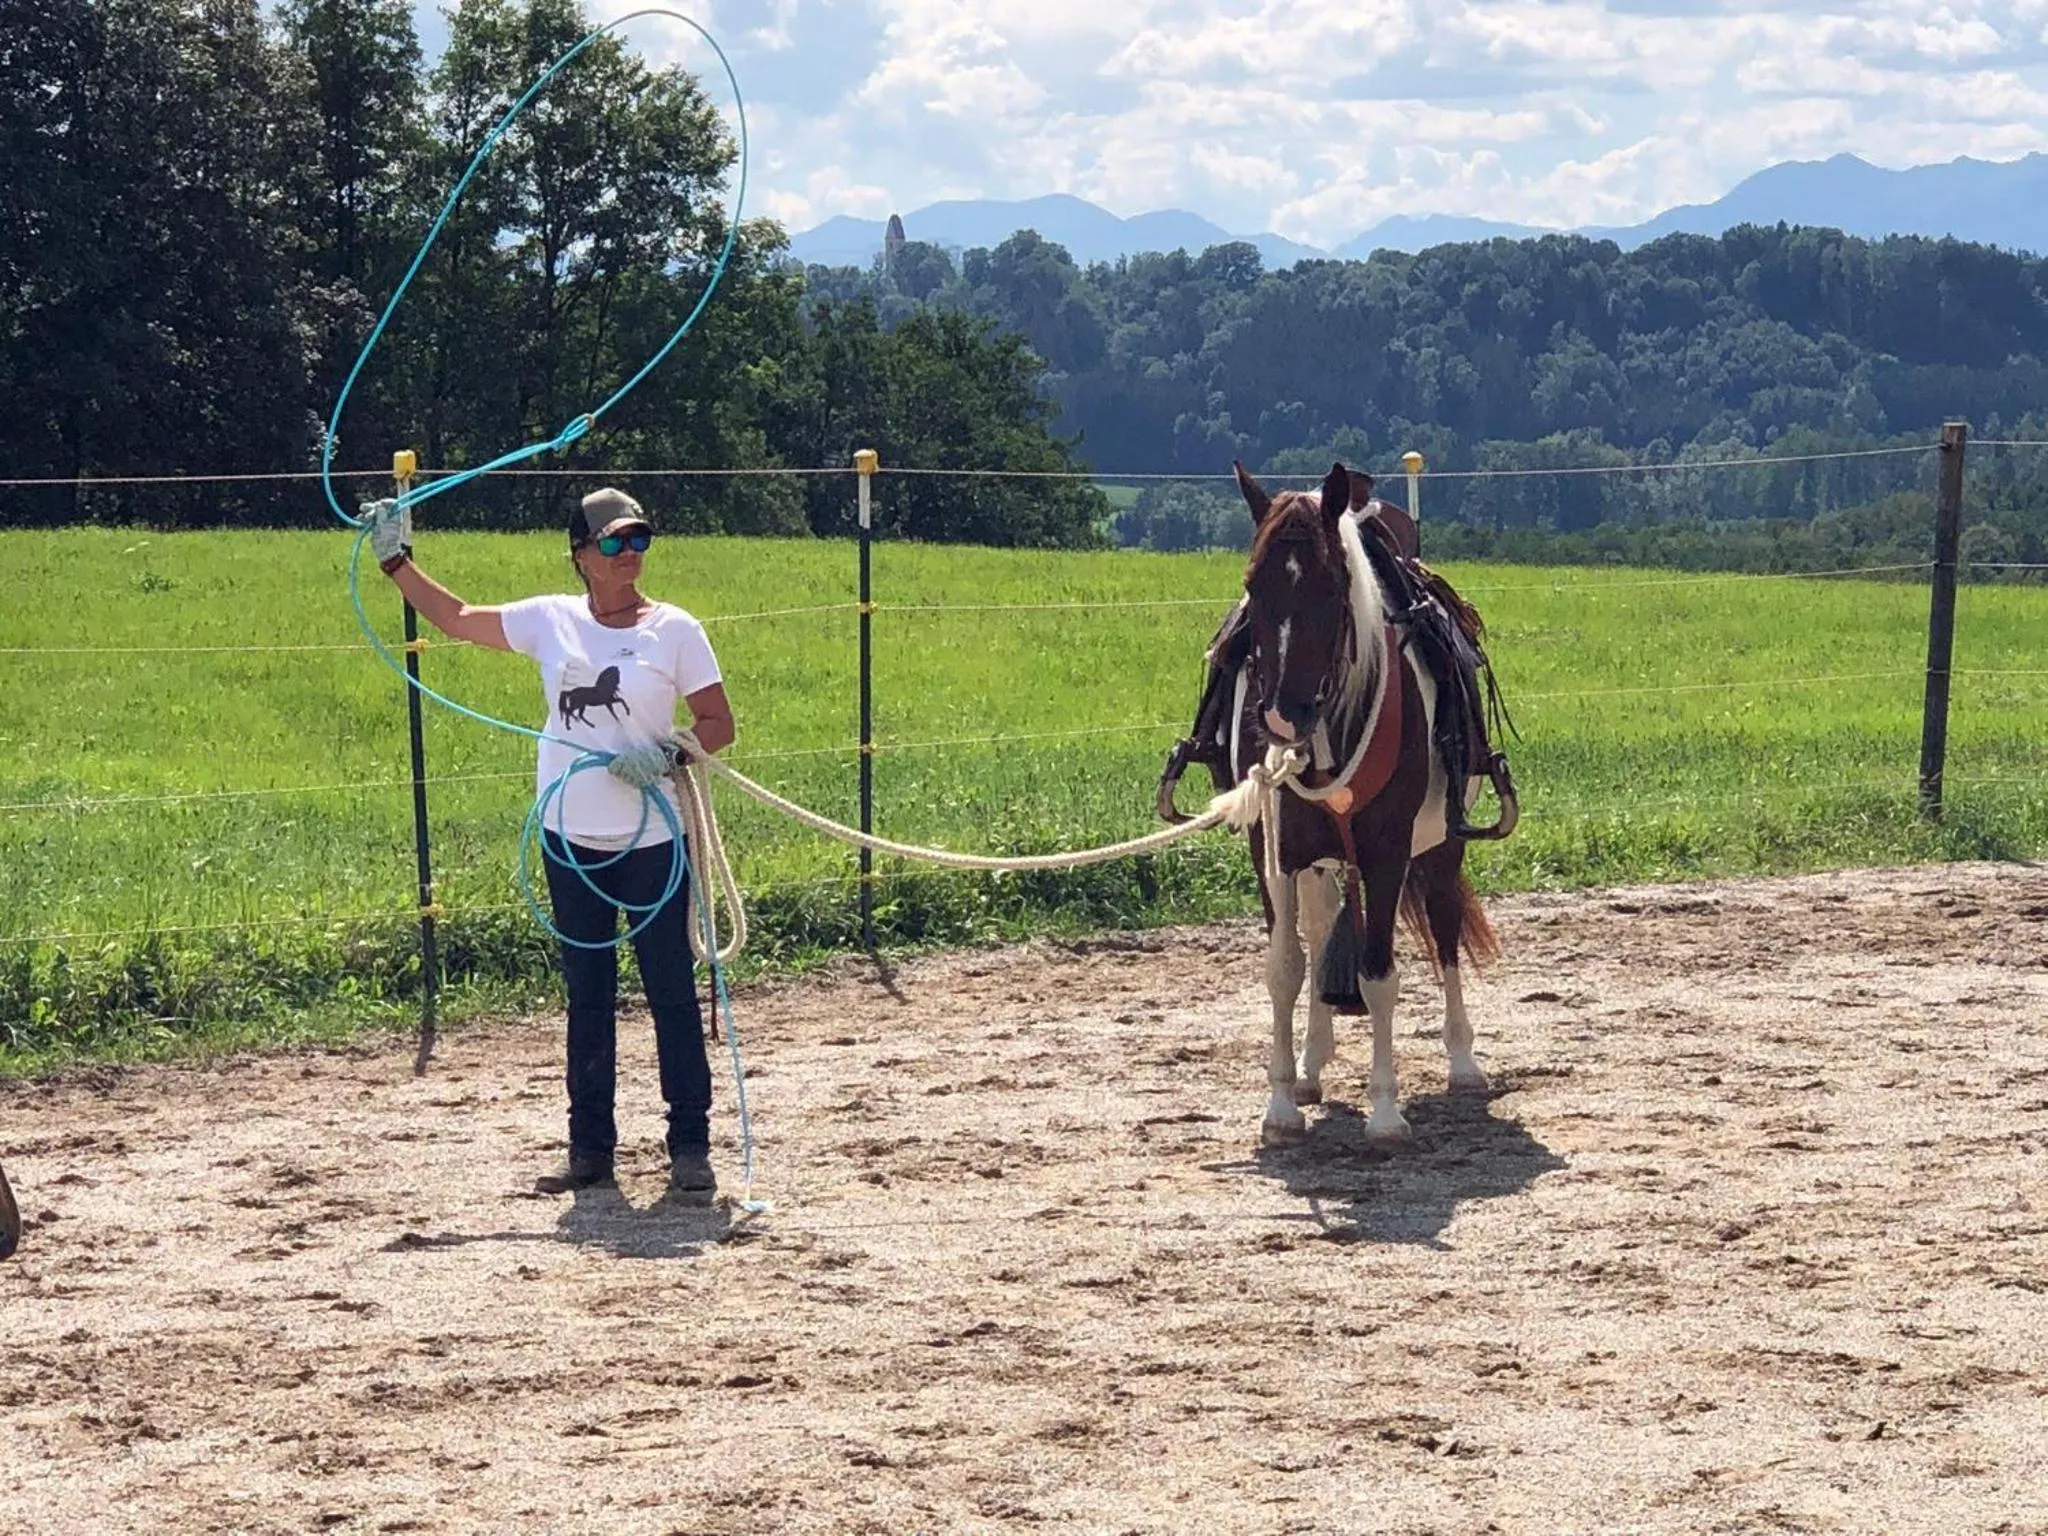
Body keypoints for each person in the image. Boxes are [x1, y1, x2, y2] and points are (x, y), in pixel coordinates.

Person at [365, 487, 736, 1204]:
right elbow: (459, 619)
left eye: (639, 542)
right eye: (614, 544)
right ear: (581, 556)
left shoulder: (676, 630)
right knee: (587, 996)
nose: (630, 556)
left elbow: (719, 722)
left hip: (655, 839)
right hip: (570, 839)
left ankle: (690, 1145)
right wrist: (396, 563)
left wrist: (670, 755)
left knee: (670, 994)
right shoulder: (551, 620)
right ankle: (589, 1149)